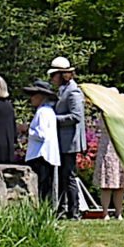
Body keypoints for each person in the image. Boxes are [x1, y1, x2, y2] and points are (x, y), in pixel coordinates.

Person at [49, 57, 86, 216]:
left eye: (54, 75)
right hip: (63, 141)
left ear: (62, 75)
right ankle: (64, 208)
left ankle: (74, 210)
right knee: (63, 175)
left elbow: (76, 116)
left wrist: (53, 119)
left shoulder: (73, 92)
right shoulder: (63, 91)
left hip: (70, 142)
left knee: (69, 176)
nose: (51, 79)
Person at [24, 81, 61, 209]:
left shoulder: (43, 112)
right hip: (45, 155)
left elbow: (42, 134)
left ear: (41, 96)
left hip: (40, 155)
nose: (31, 98)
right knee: (46, 188)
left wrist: (26, 130)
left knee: (42, 188)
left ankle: (43, 214)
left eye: (34, 95)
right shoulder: (48, 111)